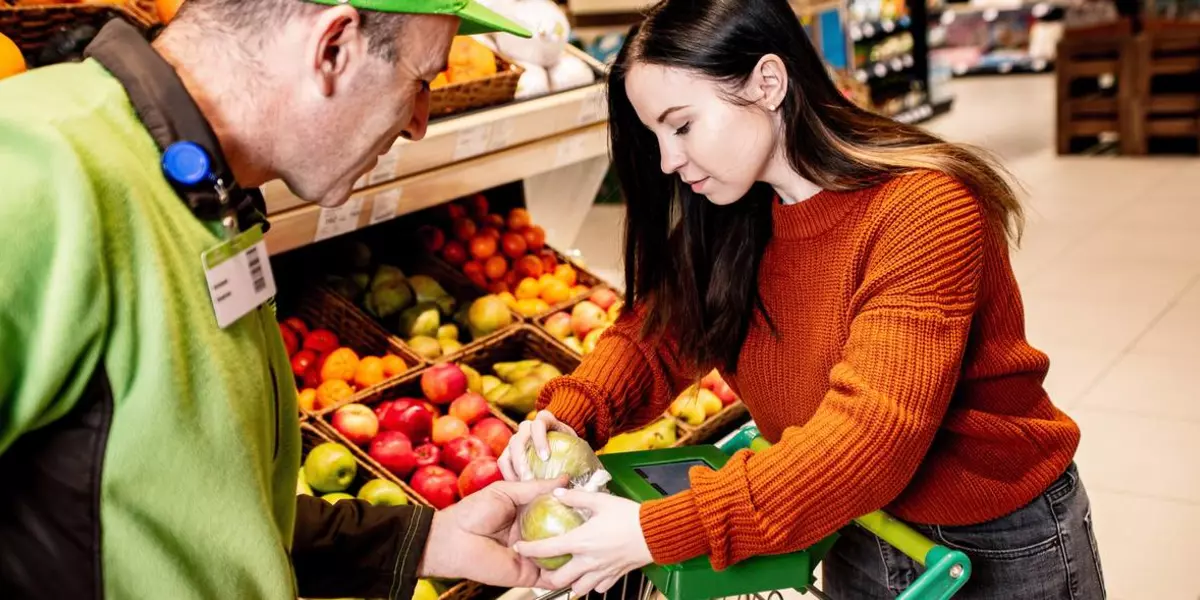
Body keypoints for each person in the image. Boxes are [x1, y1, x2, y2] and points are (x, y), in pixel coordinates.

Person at [498, 0, 1106, 597]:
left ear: (767, 82)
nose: (667, 160)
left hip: (993, 539)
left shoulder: (924, 210)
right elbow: (655, 338)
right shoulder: (734, 212)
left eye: (681, 125)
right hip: (846, 521)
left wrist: (658, 531)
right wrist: (565, 418)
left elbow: (871, 434)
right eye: (655, 135)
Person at [0, 1, 560, 599]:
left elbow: (187, 510)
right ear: (333, 48)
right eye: (419, 80)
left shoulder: (208, 200)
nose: (419, 121)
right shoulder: (36, 171)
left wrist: (419, 540)